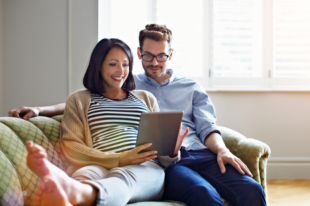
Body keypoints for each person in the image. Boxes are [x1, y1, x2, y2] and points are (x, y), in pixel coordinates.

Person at [10, 24, 266, 206]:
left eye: (161, 56)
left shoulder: (169, 91)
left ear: (170, 54)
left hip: (178, 156)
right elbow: (80, 102)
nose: (154, 62)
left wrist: (219, 150)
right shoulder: (112, 89)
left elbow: (206, 127)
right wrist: (39, 110)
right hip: (140, 161)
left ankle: (76, 193)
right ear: (139, 53)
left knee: (251, 191)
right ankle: (68, 189)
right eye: (147, 56)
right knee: (201, 193)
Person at [25, 38, 188, 206]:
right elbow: (71, 146)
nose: (120, 71)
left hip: (143, 167)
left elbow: (162, 158)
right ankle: (69, 195)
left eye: (125, 65)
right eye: (113, 64)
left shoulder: (146, 98)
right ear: (98, 66)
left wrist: (172, 152)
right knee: (84, 175)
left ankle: (74, 192)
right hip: (98, 164)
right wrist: (119, 158)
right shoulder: (79, 100)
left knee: (123, 178)